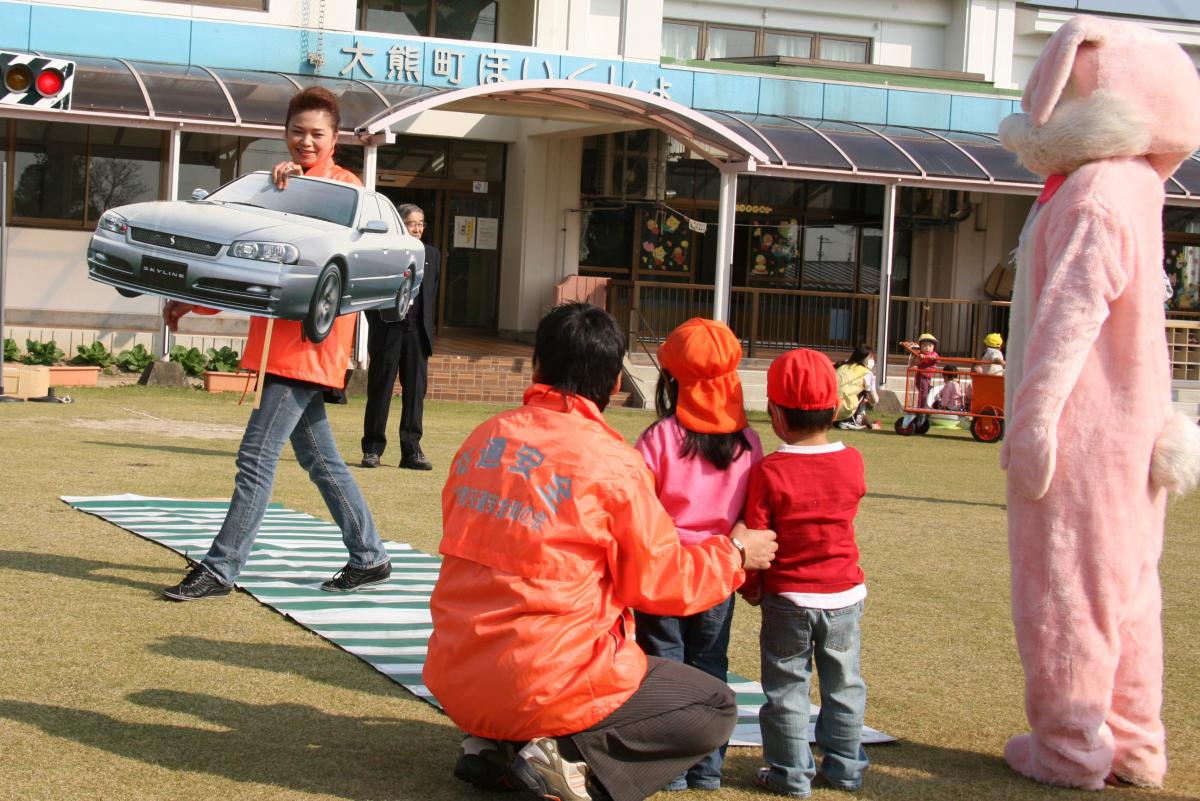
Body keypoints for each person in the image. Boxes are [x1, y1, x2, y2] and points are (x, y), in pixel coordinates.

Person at [423, 302, 778, 801]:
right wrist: (736, 554)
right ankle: (567, 754)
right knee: (713, 705)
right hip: (548, 678)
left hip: (457, 670)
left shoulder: (483, 438)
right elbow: (660, 581)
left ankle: (492, 742)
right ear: (615, 384)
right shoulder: (614, 462)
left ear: (536, 366)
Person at [161, 86, 391, 601]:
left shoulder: (346, 192)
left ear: (335, 139)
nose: (305, 141)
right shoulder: (277, 186)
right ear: (284, 133)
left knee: (256, 456)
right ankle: (369, 555)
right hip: (282, 345)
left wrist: (296, 192)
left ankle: (221, 569)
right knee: (319, 460)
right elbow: (243, 264)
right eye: (297, 131)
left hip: (309, 348)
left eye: (317, 134)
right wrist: (191, 302)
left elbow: (332, 261)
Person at [632, 317, 763, 792]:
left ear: (672, 380)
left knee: (662, 668)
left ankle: (666, 767)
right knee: (710, 668)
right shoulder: (750, 443)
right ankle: (706, 769)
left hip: (665, 574)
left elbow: (636, 508)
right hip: (719, 575)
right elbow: (753, 515)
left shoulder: (659, 439)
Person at [741, 347, 869, 798]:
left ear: (775, 415)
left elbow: (757, 536)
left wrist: (752, 587)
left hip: (788, 597)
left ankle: (790, 774)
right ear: (835, 408)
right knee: (844, 683)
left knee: (786, 687)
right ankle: (846, 767)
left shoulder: (769, 471)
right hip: (844, 593)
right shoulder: (852, 462)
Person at [361, 203, 441, 470]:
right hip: (389, 331)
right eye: (411, 223)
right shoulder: (385, 252)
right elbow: (370, 296)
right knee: (380, 390)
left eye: (421, 223)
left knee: (415, 393)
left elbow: (432, 296)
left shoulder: (433, 255)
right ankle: (372, 449)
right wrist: (380, 324)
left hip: (417, 333)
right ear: (399, 224)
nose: (417, 228)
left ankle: (411, 451)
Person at [833, 344, 879, 430]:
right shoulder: (866, 373)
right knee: (864, 393)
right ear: (864, 359)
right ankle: (848, 420)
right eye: (871, 358)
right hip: (844, 407)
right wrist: (869, 401)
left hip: (827, 405)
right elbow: (875, 400)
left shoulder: (842, 365)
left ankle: (842, 420)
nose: (872, 361)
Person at [909, 332, 939, 408]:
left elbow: (937, 360)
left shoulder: (934, 354)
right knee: (923, 393)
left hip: (929, 377)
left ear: (933, 347)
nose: (927, 348)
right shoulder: (919, 354)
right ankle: (921, 407)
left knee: (928, 392)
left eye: (930, 346)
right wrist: (920, 358)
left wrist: (931, 357)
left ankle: (925, 405)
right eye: (924, 346)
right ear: (920, 346)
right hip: (921, 377)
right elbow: (915, 362)